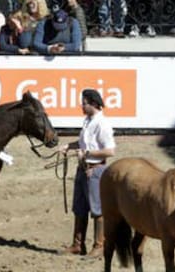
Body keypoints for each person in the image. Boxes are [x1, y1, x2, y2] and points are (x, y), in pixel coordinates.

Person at [63, 88, 115, 256]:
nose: (81, 106)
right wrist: (69, 146)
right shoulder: (88, 121)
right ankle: (78, 244)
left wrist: (87, 154)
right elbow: (85, 143)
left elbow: (109, 151)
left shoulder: (102, 124)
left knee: (97, 209)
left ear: (93, 103)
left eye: (84, 103)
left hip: (95, 170)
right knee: (79, 208)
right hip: (82, 169)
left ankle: (99, 245)